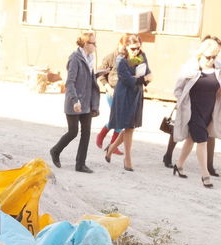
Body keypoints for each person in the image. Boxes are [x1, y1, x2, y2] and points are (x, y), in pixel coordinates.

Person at [163, 35, 221, 175]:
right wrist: (183, 103)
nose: (212, 59)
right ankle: (204, 173)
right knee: (199, 138)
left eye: (215, 56)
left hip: (209, 109)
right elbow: (178, 89)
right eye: (209, 57)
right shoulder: (191, 66)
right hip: (191, 108)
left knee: (194, 138)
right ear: (202, 52)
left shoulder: (218, 67)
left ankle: (181, 165)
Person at [49, 30, 101, 173]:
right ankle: (55, 151)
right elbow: (70, 82)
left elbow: (86, 79)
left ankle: (80, 164)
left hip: (87, 102)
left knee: (86, 133)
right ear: (85, 44)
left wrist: (99, 73)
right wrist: (75, 100)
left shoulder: (90, 59)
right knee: (73, 132)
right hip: (75, 102)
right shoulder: (75, 59)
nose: (95, 46)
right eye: (93, 43)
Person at [104, 34, 151, 172]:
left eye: (137, 48)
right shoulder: (121, 60)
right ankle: (128, 159)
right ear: (126, 47)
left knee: (130, 127)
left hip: (136, 94)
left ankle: (111, 148)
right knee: (129, 126)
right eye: (132, 48)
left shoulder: (142, 56)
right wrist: (142, 79)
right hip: (124, 95)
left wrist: (143, 79)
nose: (136, 51)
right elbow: (127, 80)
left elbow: (147, 72)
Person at [95, 38, 125, 156]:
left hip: (124, 94)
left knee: (119, 119)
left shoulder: (128, 58)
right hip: (112, 92)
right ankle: (102, 136)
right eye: (124, 46)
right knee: (118, 118)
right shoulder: (110, 57)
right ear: (119, 44)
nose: (125, 49)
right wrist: (108, 87)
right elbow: (100, 74)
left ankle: (111, 144)